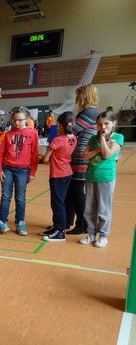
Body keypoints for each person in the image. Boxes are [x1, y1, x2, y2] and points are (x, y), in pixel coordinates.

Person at [79, 111, 123, 248]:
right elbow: (85, 156)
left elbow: (107, 155)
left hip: (106, 178)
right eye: (99, 124)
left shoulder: (118, 138)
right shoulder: (93, 139)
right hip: (91, 176)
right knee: (89, 209)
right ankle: (91, 233)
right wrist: (98, 147)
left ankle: (103, 235)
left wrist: (103, 139)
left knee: (104, 209)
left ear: (113, 123)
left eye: (106, 123)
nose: (103, 127)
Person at [0, 106, 39, 235]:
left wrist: (32, 172)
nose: (17, 123)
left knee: (20, 198)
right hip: (7, 169)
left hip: (23, 170)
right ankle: (2, 221)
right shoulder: (8, 134)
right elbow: (0, 154)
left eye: (20, 120)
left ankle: (20, 223)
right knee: (6, 196)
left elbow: (35, 155)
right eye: (15, 120)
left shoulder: (32, 133)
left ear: (26, 119)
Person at [65, 84, 99, 235]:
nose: (76, 99)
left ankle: (83, 224)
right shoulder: (91, 113)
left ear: (83, 96)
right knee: (72, 190)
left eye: (78, 96)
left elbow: (71, 130)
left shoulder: (88, 113)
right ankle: (67, 221)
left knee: (76, 191)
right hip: (79, 156)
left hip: (80, 158)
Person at [40, 112, 77, 242]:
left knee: (57, 203)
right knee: (61, 201)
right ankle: (57, 226)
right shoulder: (74, 138)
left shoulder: (57, 140)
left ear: (60, 125)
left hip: (58, 174)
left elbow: (45, 159)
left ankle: (60, 231)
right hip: (67, 172)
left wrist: (42, 158)